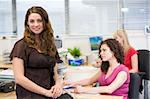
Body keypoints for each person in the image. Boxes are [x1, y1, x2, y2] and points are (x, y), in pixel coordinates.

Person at [9, 6, 68, 99]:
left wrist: (58, 84)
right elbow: (19, 78)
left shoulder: (50, 45)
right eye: (32, 21)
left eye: (39, 21)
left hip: (50, 90)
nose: (36, 24)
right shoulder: (20, 46)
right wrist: (45, 92)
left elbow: (56, 71)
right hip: (30, 94)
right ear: (27, 24)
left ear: (45, 22)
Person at [65, 38, 130, 99]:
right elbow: (90, 80)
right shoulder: (105, 68)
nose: (101, 53)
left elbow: (109, 89)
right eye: (100, 51)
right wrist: (73, 83)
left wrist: (83, 90)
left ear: (113, 51)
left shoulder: (123, 71)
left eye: (104, 50)